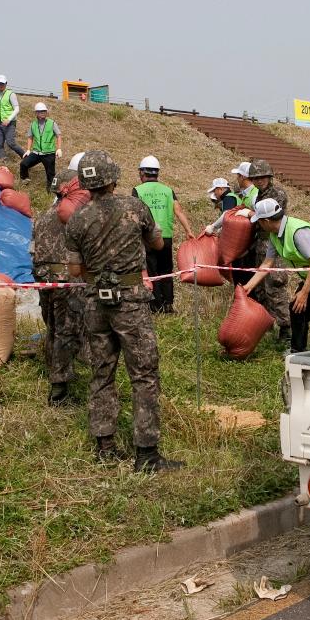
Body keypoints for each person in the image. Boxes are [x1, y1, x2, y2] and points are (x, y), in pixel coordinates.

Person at [65, 149, 182, 472]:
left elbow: (75, 270)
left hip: (95, 303)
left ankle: (105, 446)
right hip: (130, 301)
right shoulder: (135, 208)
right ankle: (146, 454)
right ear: (113, 177)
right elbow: (158, 244)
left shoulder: (77, 219)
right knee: (143, 375)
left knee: (102, 373)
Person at [242, 198, 310, 353]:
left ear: (267, 221)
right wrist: (248, 287)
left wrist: (304, 293)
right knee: (296, 310)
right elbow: (267, 264)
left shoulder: (297, 232)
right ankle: (298, 351)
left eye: (259, 221)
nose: (258, 224)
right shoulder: (275, 235)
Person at [34, 169, 90, 405]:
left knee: (53, 328)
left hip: (44, 278)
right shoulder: (74, 216)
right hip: (67, 280)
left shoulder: (43, 215)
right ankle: (59, 390)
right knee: (67, 332)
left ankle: (54, 372)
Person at [133, 156, 195, 314]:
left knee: (151, 272)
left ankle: (156, 305)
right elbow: (178, 211)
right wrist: (188, 231)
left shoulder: (138, 190)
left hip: (147, 237)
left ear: (142, 173)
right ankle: (168, 304)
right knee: (166, 270)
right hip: (166, 237)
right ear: (157, 173)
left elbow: (133, 214)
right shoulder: (168, 190)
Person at [244, 159, 291, 343]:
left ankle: (286, 329)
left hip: (275, 246)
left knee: (275, 287)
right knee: (262, 290)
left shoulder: (277, 193)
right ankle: (268, 324)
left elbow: (271, 216)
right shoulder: (259, 195)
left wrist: (251, 213)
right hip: (260, 246)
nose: (259, 181)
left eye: (262, 177)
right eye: (256, 178)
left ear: (269, 176)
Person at [20, 102, 61, 191]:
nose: (42, 113)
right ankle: (25, 179)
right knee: (24, 164)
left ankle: (51, 191)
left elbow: (58, 136)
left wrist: (59, 149)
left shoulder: (52, 123)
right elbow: (30, 137)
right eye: (40, 111)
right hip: (36, 153)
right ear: (36, 113)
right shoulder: (33, 124)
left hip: (49, 153)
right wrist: (28, 150)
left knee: (50, 174)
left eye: (44, 111)